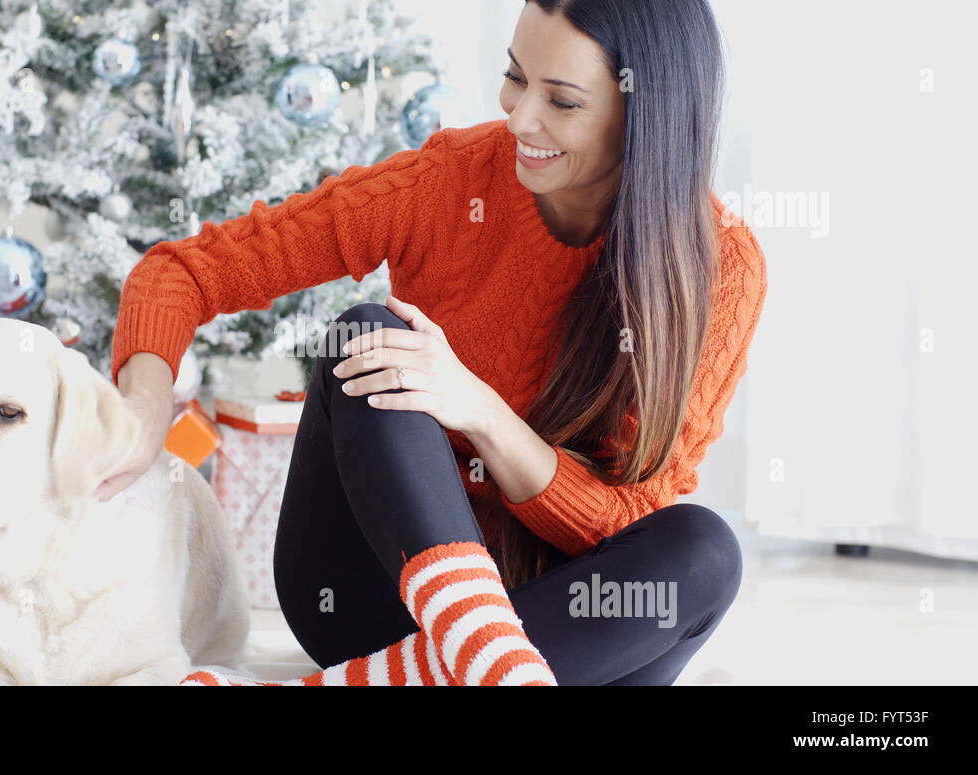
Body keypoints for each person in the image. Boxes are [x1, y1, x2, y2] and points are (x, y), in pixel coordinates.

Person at [104, 0, 766, 686]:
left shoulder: (721, 269)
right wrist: (143, 414)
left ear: (645, 115)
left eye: (561, 101)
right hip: (376, 599)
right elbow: (180, 271)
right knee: (371, 335)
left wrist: (479, 410)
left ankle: (444, 671)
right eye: (515, 77)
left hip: (560, 626)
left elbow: (624, 523)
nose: (519, 118)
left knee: (704, 551)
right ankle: (493, 667)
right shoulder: (451, 181)